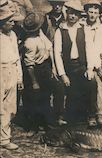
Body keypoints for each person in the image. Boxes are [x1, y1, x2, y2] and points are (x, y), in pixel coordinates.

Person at [54, 0, 98, 126]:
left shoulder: (84, 29)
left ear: (79, 16)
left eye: (75, 14)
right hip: (67, 67)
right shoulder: (60, 31)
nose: (72, 16)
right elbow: (57, 53)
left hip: (81, 66)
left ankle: (91, 116)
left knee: (92, 82)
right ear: (66, 14)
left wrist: (89, 68)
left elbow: (90, 50)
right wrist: (62, 74)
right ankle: (61, 116)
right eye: (70, 13)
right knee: (62, 87)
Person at [22, 12, 55, 130]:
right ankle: (33, 125)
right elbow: (29, 64)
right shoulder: (30, 42)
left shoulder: (40, 34)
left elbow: (49, 47)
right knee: (35, 98)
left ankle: (45, 122)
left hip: (45, 67)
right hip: (36, 70)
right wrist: (34, 82)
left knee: (45, 97)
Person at [0, 6, 23, 150]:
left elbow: (16, 58)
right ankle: (3, 139)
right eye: (10, 21)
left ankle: (4, 137)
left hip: (12, 70)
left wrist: (19, 77)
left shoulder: (13, 35)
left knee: (11, 107)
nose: (13, 23)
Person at [83, 0, 102, 125]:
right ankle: (90, 114)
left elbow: (98, 49)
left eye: (95, 13)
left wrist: (97, 67)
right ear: (86, 12)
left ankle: (100, 113)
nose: (92, 15)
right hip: (84, 63)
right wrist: (89, 67)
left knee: (99, 85)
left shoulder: (101, 29)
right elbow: (85, 49)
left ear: (99, 14)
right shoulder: (82, 27)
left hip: (97, 63)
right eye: (90, 12)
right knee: (89, 83)